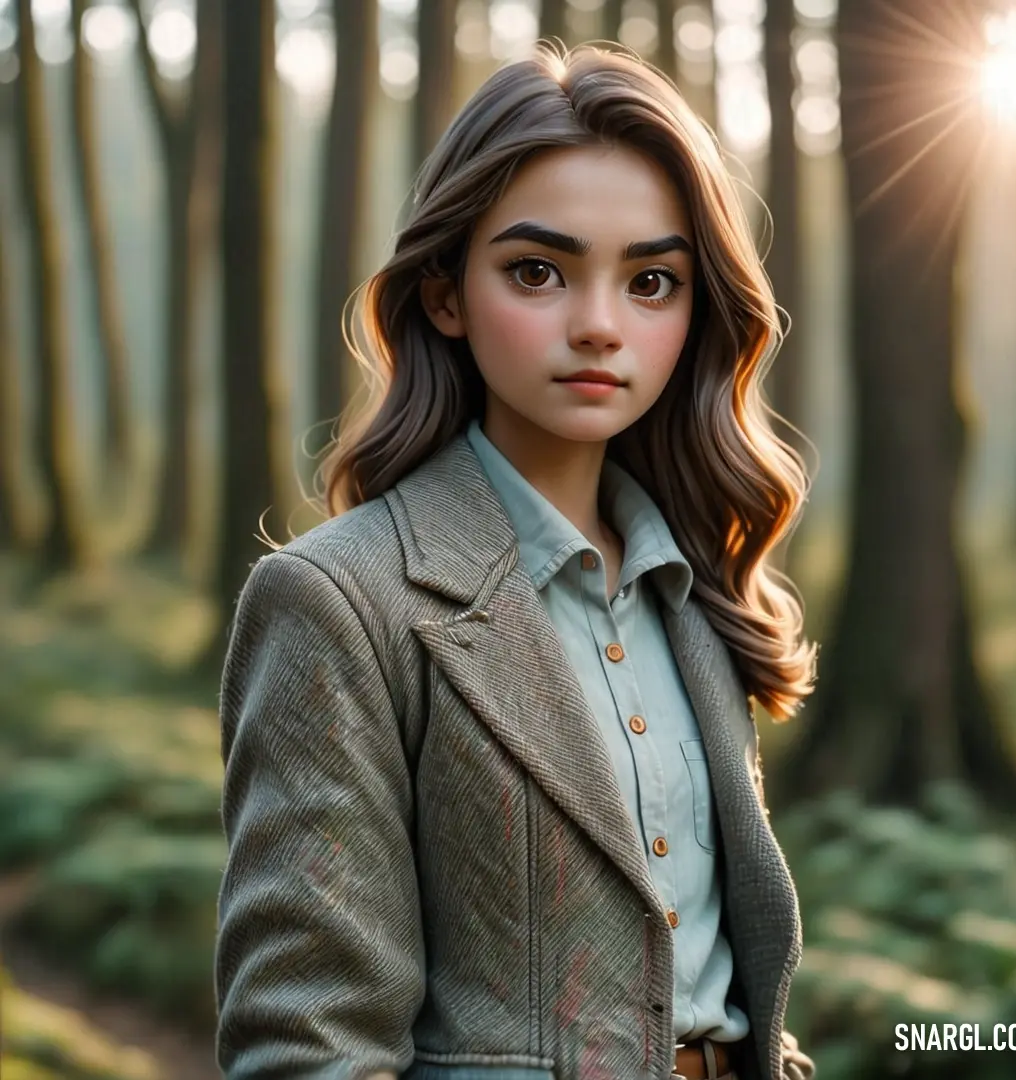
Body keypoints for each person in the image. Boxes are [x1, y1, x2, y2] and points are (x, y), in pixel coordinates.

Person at [215, 42, 818, 1080]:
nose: (597, 326)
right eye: (537, 271)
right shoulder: (338, 603)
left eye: (651, 281)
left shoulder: (694, 590)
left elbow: (724, 988)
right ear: (446, 295)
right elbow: (307, 1044)